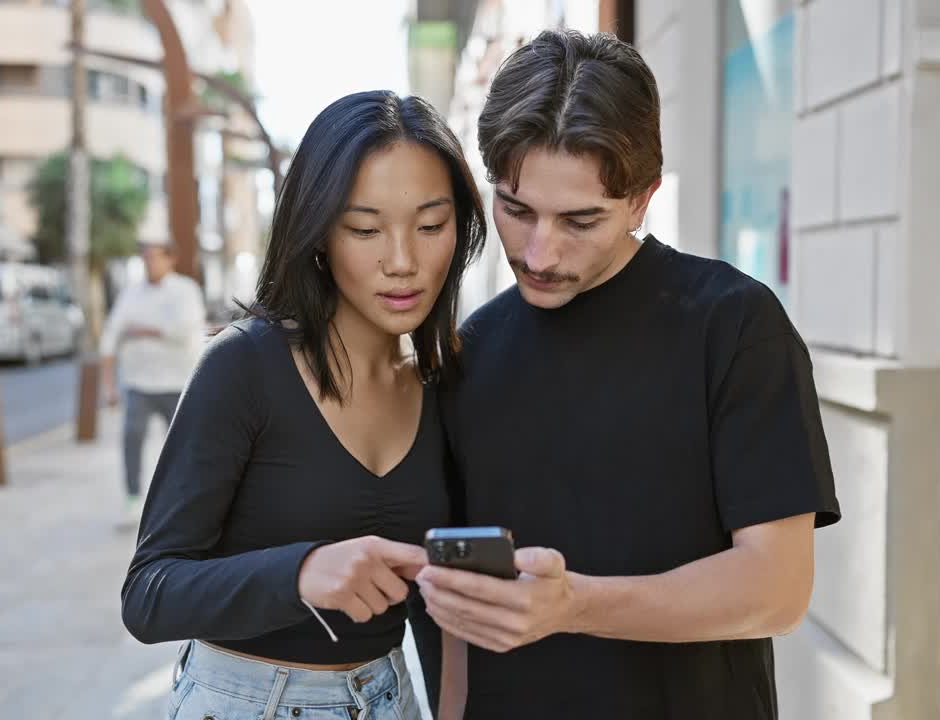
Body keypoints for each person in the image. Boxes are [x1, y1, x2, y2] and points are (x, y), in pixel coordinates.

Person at [414, 30, 841, 719]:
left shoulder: (735, 327)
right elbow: (460, 617)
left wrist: (573, 605)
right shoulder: (471, 352)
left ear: (642, 199)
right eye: (516, 210)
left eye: (580, 220)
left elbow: (778, 588)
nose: (539, 251)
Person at [120, 90, 486, 720]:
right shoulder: (244, 366)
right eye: (365, 229)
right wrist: (301, 573)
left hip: (390, 697)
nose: (402, 262)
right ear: (319, 234)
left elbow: (437, 587)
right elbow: (149, 595)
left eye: (430, 226)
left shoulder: (440, 381)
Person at [99, 240, 206, 525]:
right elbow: (112, 335)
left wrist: (144, 330)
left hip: (179, 383)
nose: (150, 264)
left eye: (156, 258)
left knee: (184, 445)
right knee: (131, 437)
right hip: (139, 383)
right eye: (145, 258)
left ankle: (188, 502)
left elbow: (184, 330)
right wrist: (108, 386)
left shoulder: (186, 290)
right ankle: (133, 498)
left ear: (170, 259)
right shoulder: (130, 295)